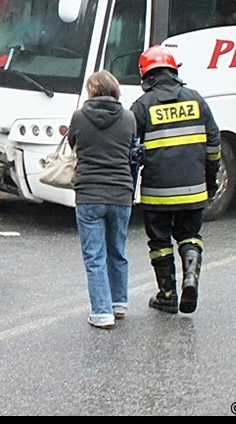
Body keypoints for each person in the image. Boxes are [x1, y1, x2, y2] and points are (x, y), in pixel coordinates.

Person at [130, 45, 221, 315]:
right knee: (190, 235)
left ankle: (167, 295)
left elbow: (131, 152)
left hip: (157, 192)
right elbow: (214, 146)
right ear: (173, 71)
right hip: (194, 190)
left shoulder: (142, 106)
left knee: (159, 242)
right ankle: (190, 279)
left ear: (146, 74)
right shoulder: (197, 100)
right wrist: (210, 182)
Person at [67, 70, 138, 329]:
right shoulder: (129, 118)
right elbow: (132, 148)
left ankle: (101, 313)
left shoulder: (79, 116)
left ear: (91, 91)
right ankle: (119, 304)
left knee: (94, 256)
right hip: (121, 194)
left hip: (89, 195)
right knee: (117, 251)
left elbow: (72, 143)